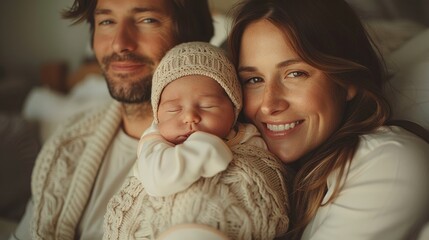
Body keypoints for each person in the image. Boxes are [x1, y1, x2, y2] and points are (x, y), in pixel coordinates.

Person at [10, 0, 214, 239]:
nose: (120, 43)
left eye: (147, 20)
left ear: (192, 36)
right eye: (107, 21)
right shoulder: (64, 145)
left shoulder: (215, 161)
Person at [227, 0, 429, 239]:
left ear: (346, 81)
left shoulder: (390, 161)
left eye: (295, 74)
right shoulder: (254, 169)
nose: (270, 104)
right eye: (254, 80)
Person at [103, 41, 290, 240]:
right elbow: (158, 179)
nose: (190, 117)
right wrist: (206, 148)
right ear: (158, 114)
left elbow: (268, 175)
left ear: (234, 111)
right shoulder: (154, 142)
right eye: (174, 109)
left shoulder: (247, 135)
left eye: (208, 106)